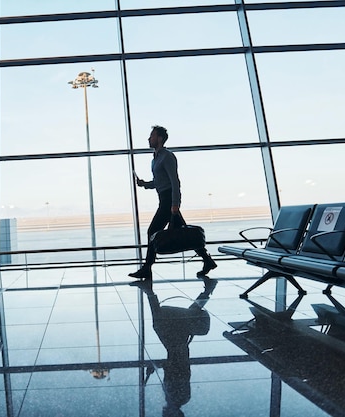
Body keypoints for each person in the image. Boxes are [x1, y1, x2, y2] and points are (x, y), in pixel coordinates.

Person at [129, 125, 216, 280]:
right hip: (163, 198)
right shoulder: (155, 159)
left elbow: (174, 182)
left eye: (152, 135)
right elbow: (159, 182)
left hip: (168, 200)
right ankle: (207, 260)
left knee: (152, 232)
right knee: (187, 234)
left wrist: (175, 203)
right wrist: (145, 184)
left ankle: (147, 268)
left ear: (160, 138)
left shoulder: (167, 156)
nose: (149, 138)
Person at [131, 278, 217, 417]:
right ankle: (149, 291)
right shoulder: (179, 398)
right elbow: (177, 370)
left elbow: (174, 369)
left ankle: (208, 290)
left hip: (177, 348)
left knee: (177, 319)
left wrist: (158, 367)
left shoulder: (174, 398)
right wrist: (157, 366)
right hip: (178, 349)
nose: (164, 413)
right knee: (159, 323)